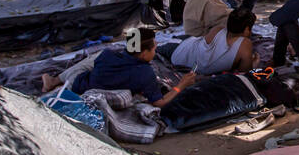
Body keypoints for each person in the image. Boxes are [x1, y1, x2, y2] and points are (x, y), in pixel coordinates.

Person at [43, 28, 196, 106]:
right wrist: (181, 85)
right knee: (89, 64)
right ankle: (53, 81)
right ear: (143, 53)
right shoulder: (145, 73)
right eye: (154, 48)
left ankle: (54, 80)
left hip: (80, 82)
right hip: (75, 85)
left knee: (93, 59)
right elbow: (159, 103)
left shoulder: (107, 55)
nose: (156, 51)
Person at [171, 7, 257, 75]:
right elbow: (245, 72)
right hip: (185, 55)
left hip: (180, 56)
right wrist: (255, 62)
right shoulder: (245, 44)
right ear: (246, 29)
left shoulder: (218, 30)